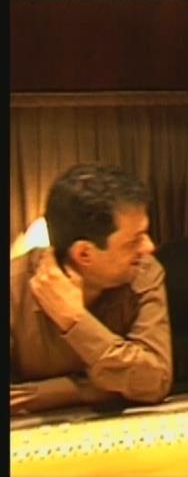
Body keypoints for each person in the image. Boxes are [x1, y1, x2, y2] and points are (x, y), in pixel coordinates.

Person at [10, 163, 173, 415]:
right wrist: (106, 385)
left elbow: (154, 381)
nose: (149, 247)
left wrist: (75, 320)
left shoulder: (143, 273)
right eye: (134, 240)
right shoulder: (13, 289)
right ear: (84, 253)